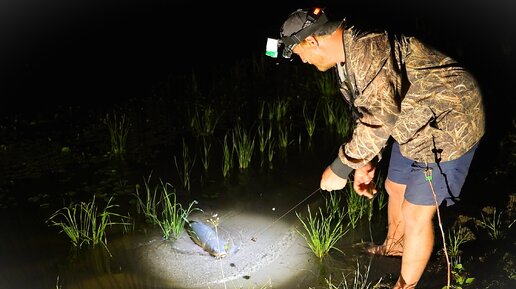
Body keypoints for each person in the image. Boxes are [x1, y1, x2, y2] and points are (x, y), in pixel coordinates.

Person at [272, 7, 485, 289]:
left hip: (448, 122)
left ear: (311, 41)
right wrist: (364, 162)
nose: (305, 61)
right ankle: (394, 247)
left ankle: (404, 286)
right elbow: (365, 112)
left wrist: (341, 167)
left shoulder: (367, 47)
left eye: (301, 55)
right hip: (410, 121)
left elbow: (380, 118)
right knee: (394, 187)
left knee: (416, 213)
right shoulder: (344, 59)